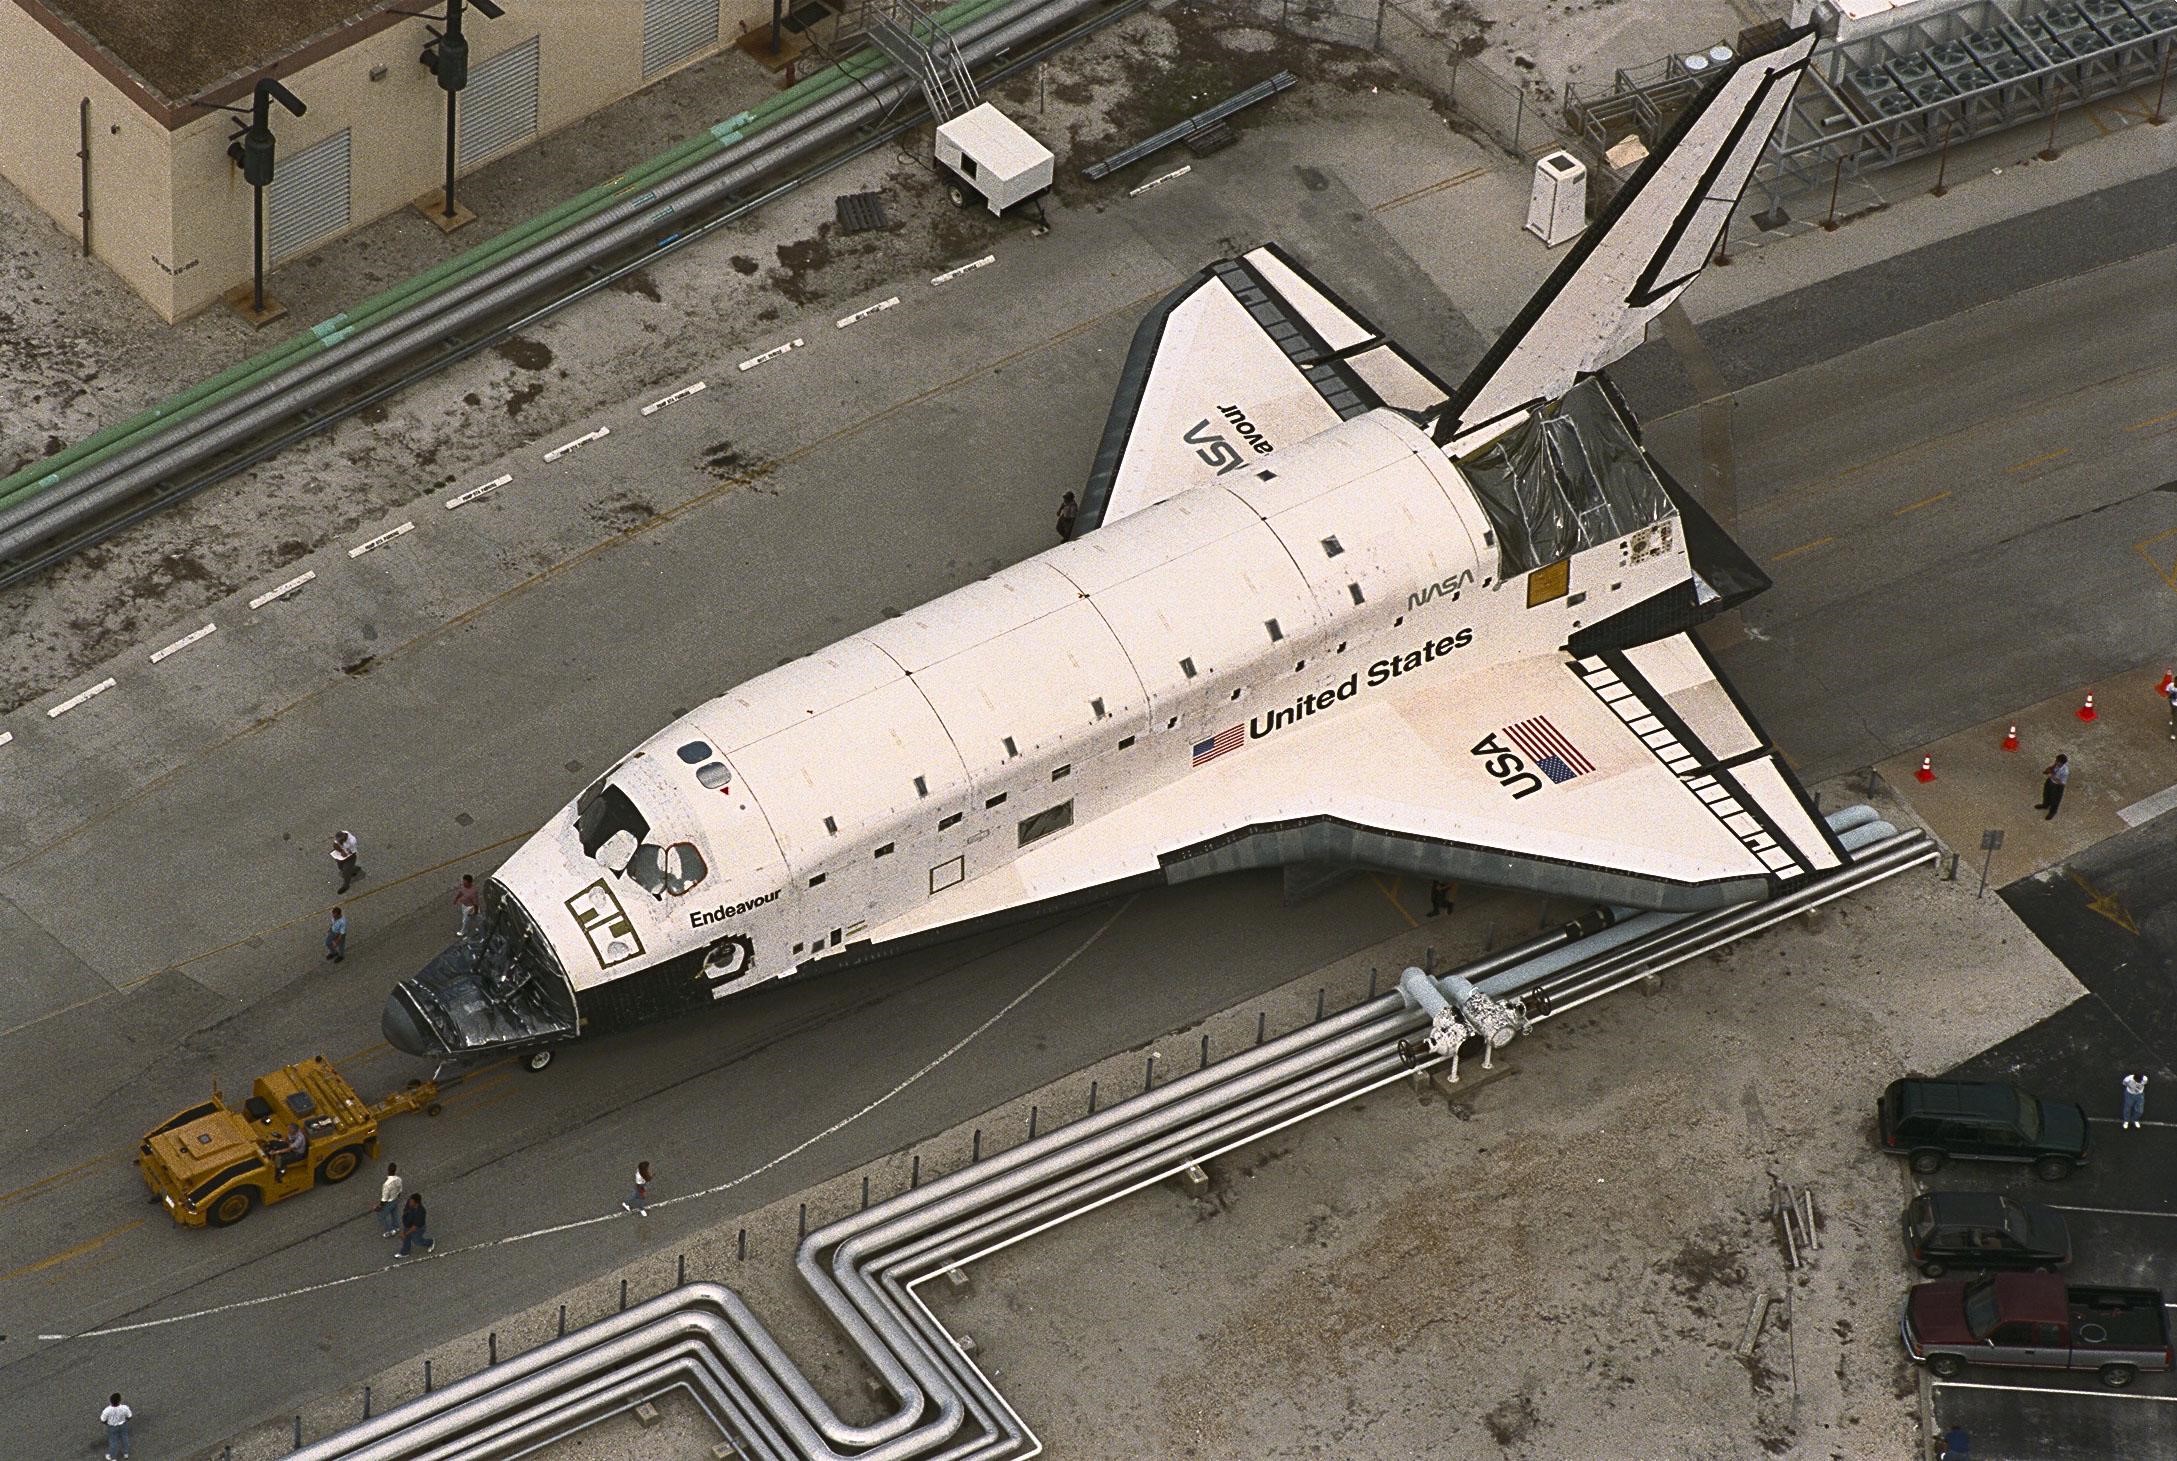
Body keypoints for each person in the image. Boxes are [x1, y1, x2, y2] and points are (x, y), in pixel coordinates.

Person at [397, 1192, 434, 1256]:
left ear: (416, 1203)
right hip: (409, 1225)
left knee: (417, 1241)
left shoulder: (420, 1212)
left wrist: (405, 1234)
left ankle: (430, 1242)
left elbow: (415, 1227)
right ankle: (405, 1252)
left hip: (418, 1228)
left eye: (411, 1201)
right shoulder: (409, 1205)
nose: (409, 1202)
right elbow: (405, 1212)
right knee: (406, 1239)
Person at [2034, 754, 2069, 819]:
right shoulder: (2057, 764)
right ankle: (2045, 804)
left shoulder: (2065, 771)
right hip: (2050, 781)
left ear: (2061, 763)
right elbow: (2052, 768)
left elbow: (2062, 783)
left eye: (2057, 761)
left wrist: (2052, 775)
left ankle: (2053, 811)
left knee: (2055, 799)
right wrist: (2049, 770)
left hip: (2057, 786)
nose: (2056, 762)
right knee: (2046, 794)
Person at [100, 1393, 132, 1460]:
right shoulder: (125, 1408)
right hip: (123, 1425)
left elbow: (103, 1420)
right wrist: (125, 1420)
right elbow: (129, 1416)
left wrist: (108, 1424)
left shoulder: (107, 1410)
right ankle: (126, 1453)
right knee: (125, 1438)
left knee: (113, 1442)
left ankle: (113, 1457)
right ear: (120, 1400)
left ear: (110, 1401)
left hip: (112, 1427)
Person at [377, 1162, 404, 1237]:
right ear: (395, 1170)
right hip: (396, 1199)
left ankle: (390, 1230)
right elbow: (400, 1190)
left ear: (388, 1170)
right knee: (394, 1213)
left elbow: (384, 1198)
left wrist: (380, 1206)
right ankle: (396, 1227)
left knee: (381, 1216)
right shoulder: (398, 1179)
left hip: (389, 1201)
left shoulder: (386, 1184)